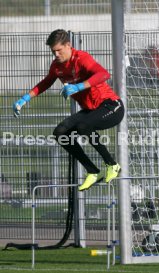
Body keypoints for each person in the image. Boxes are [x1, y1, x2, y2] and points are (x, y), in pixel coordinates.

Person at [13, 29, 124, 191]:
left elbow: (104, 74)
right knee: (60, 132)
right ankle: (92, 171)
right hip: (90, 110)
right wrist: (24, 99)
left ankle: (112, 165)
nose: (56, 54)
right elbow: (46, 83)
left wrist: (79, 86)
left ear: (68, 45)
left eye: (59, 50)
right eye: (53, 51)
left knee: (83, 126)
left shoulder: (81, 58)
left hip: (112, 106)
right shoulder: (56, 66)